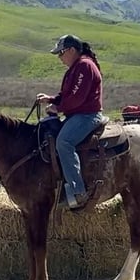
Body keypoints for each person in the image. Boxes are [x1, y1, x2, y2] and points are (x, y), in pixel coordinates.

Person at [37, 34, 103, 209]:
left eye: (61, 53)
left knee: (64, 143)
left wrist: (58, 108)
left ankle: (78, 191)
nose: (59, 57)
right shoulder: (76, 67)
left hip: (87, 115)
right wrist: (51, 99)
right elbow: (67, 95)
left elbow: (78, 98)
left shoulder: (84, 66)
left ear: (72, 50)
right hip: (78, 114)